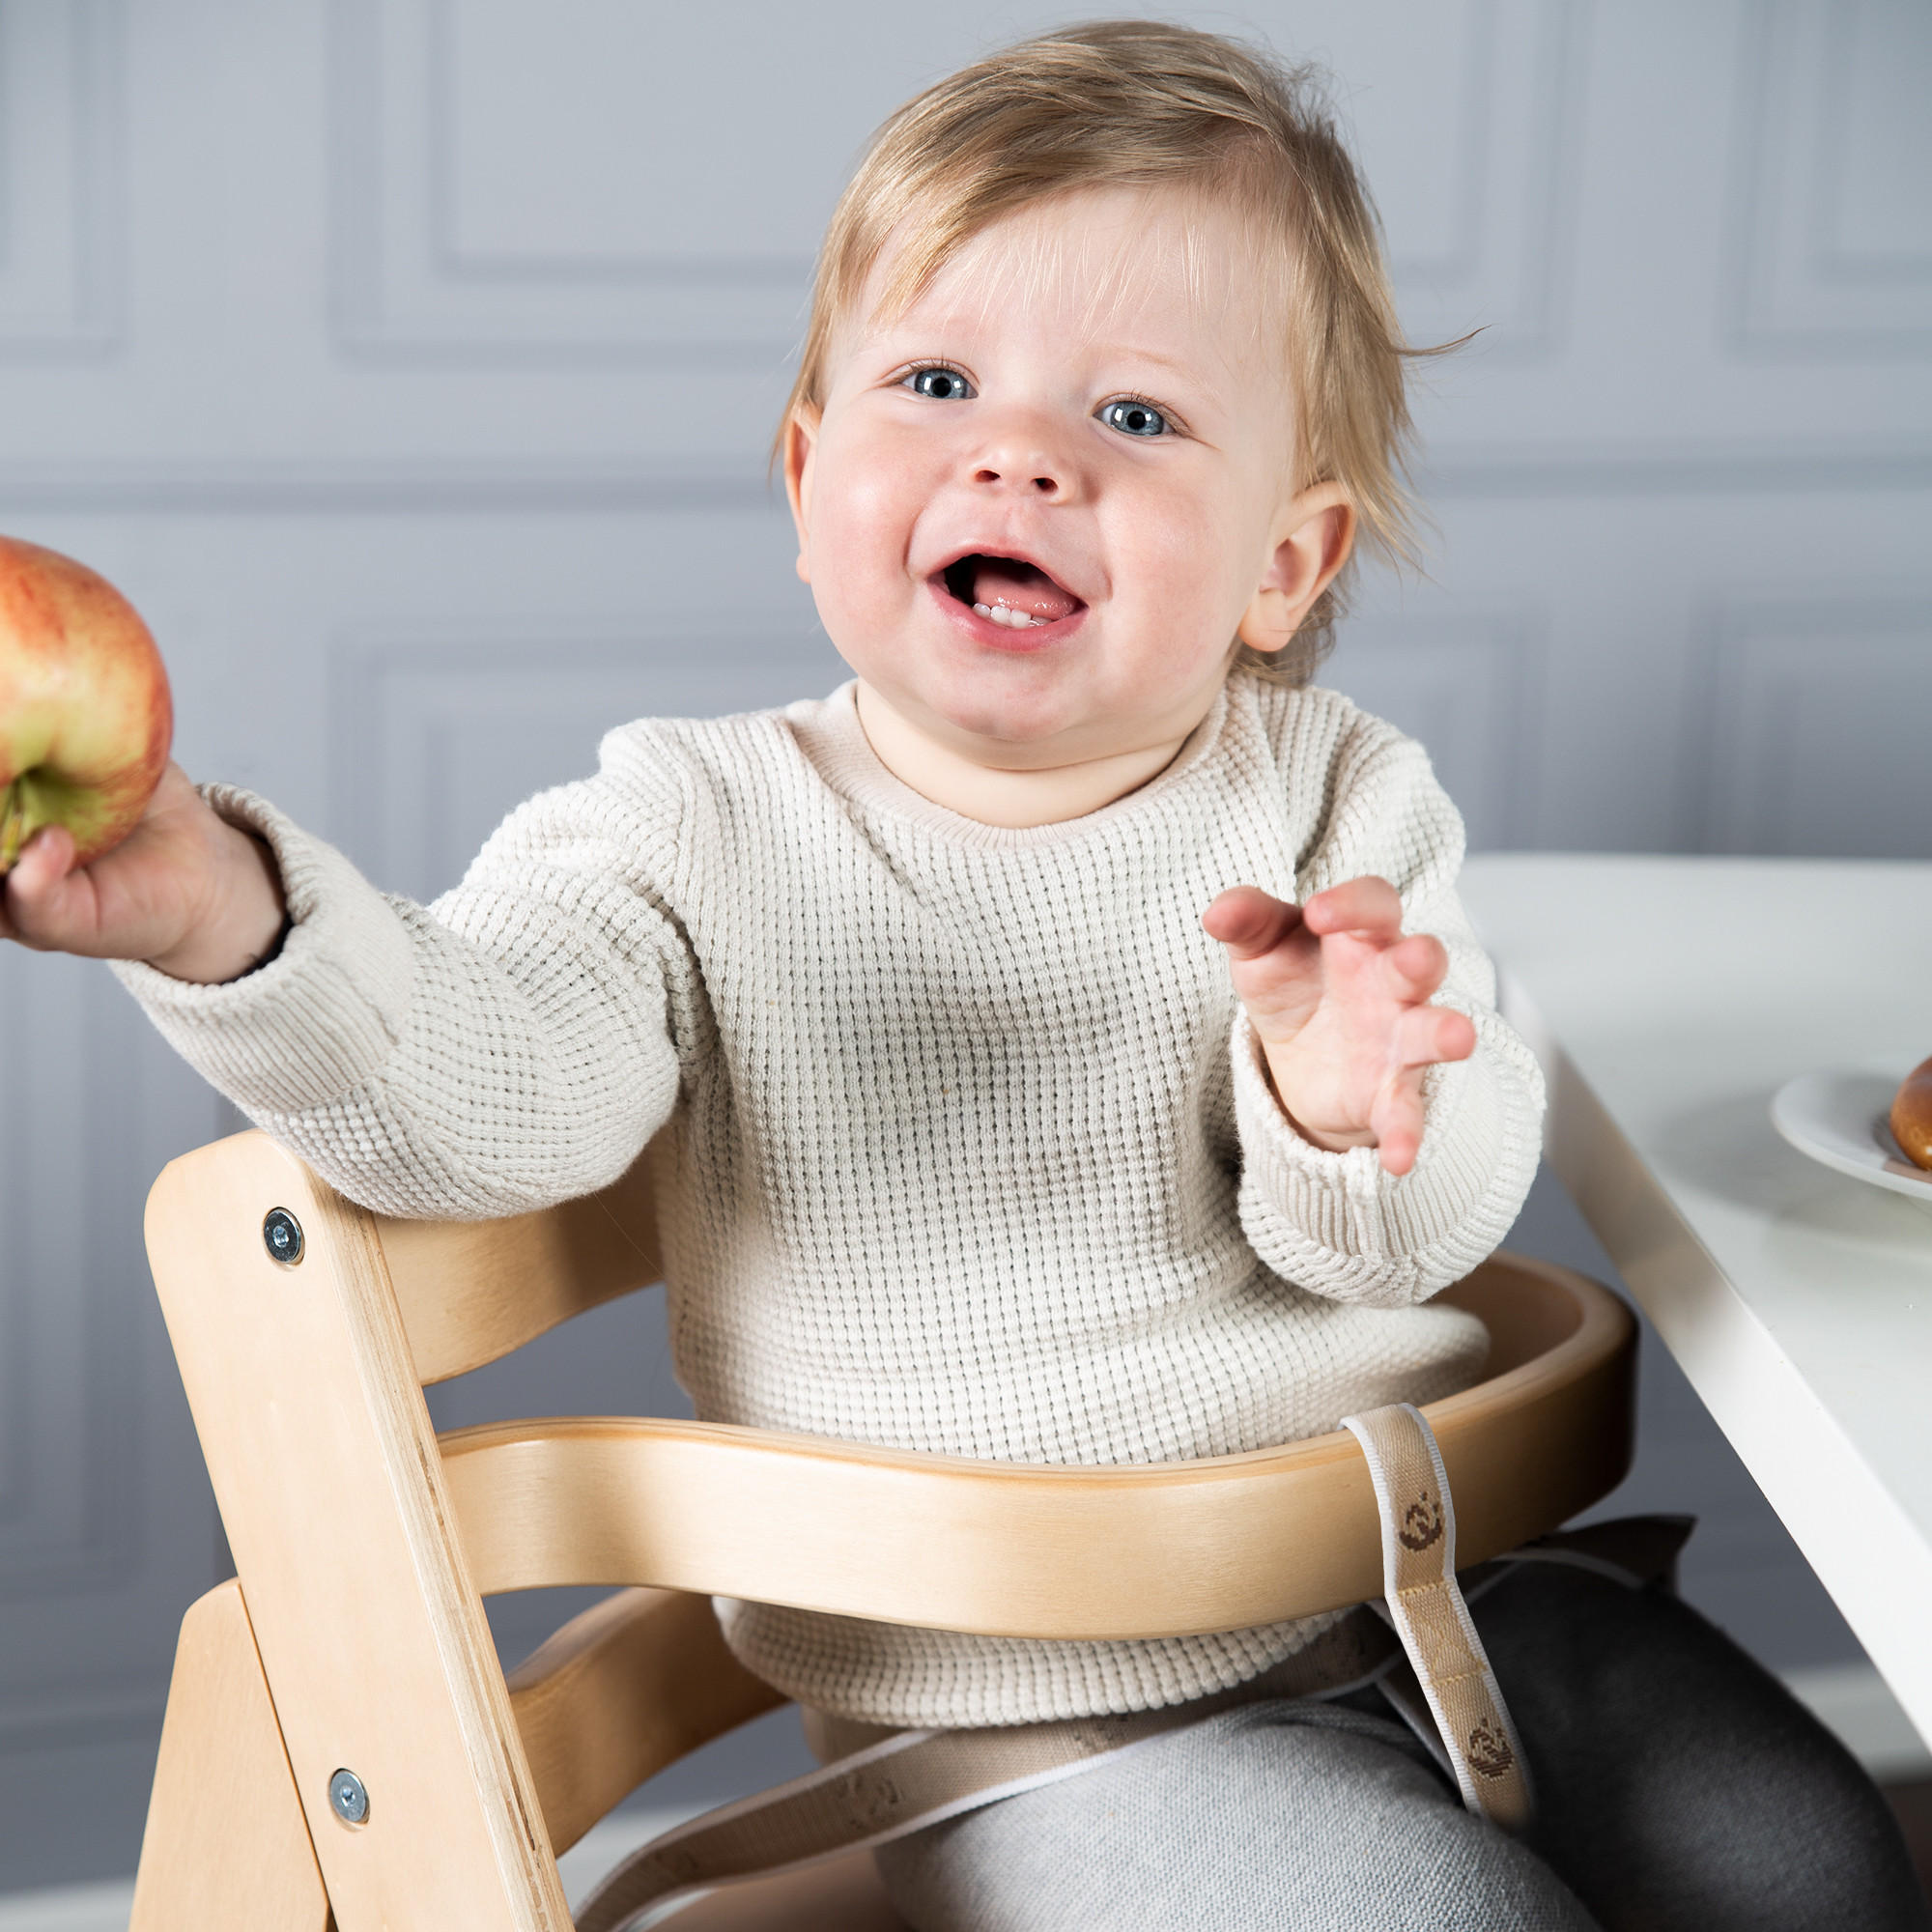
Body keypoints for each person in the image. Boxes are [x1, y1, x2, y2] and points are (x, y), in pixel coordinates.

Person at [2, 20, 1921, 1930]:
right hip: (1057, 1726)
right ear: (806, 468)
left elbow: (1413, 1233)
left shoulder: (1341, 795)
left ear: (1284, 558)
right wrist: (225, 915)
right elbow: (484, 1094)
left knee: (1812, 1861)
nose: (1018, 449)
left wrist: (1355, 1112)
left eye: (1139, 418)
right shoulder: (688, 824)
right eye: (936, 380)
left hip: (1450, 1596)